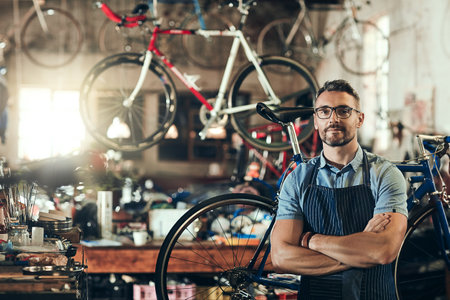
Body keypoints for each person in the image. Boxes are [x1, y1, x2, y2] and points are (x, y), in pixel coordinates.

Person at [271, 79, 408, 300]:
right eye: (324, 111)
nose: (333, 118)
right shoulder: (298, 179)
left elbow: (383, 250)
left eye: (343, 111)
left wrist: (313, 241)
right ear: (315, 121)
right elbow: (281, 257)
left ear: (359, 119)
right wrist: (362, 251)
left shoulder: (385, 174)